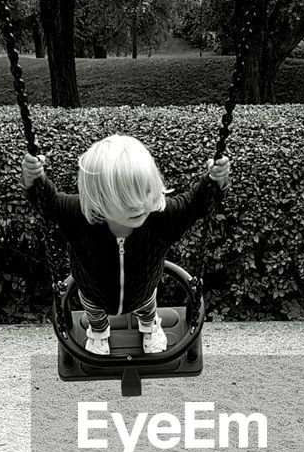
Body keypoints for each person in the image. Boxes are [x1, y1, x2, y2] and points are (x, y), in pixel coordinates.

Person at [22, 134, 230, 355]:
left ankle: (150, 326)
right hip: (93, 291)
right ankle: (99, 331)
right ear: (97, 199)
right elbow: (49, 202)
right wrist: (33, 178)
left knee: (147, 307)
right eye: (126, 199)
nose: (140, 205)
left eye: (147, 191)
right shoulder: (79, 217)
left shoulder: (161, 218)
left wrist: (214, 181)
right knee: (94, 312)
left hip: (143, 289)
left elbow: (195, 203)